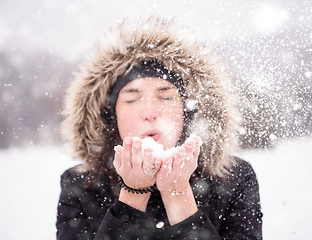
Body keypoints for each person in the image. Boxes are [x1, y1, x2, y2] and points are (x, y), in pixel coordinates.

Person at [56, 18, 263, 240]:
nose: (150, 112)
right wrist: (133, 194)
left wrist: (178, 194)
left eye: (165, 96)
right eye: (132, 99)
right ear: (111, 116)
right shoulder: (81, 185)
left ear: (187, 111)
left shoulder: (234, 179)